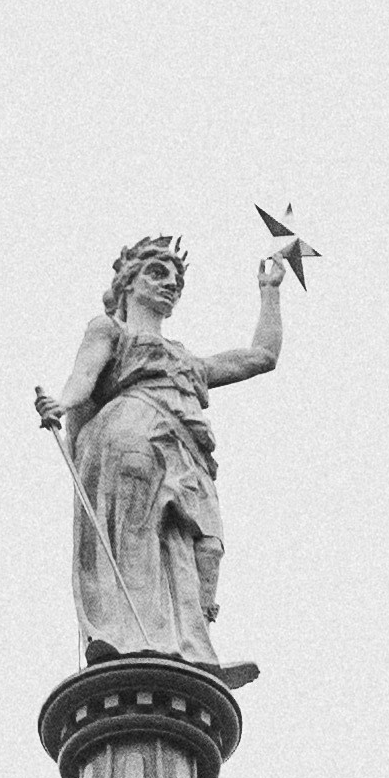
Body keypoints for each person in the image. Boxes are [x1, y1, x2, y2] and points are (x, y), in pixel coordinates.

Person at [38, 231, 286, 661]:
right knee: (135, 537)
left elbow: (262, 356)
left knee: (203, 547)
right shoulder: (110, 330)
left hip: (187, 450)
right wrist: (63, 403)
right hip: (131, 433)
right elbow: (84, 376)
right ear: (128, 283)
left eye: (176, 278)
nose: (169, 283)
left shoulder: (187, 360)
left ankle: (190, 647)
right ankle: (129, 637)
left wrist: (269, 293)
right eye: (157, 272)